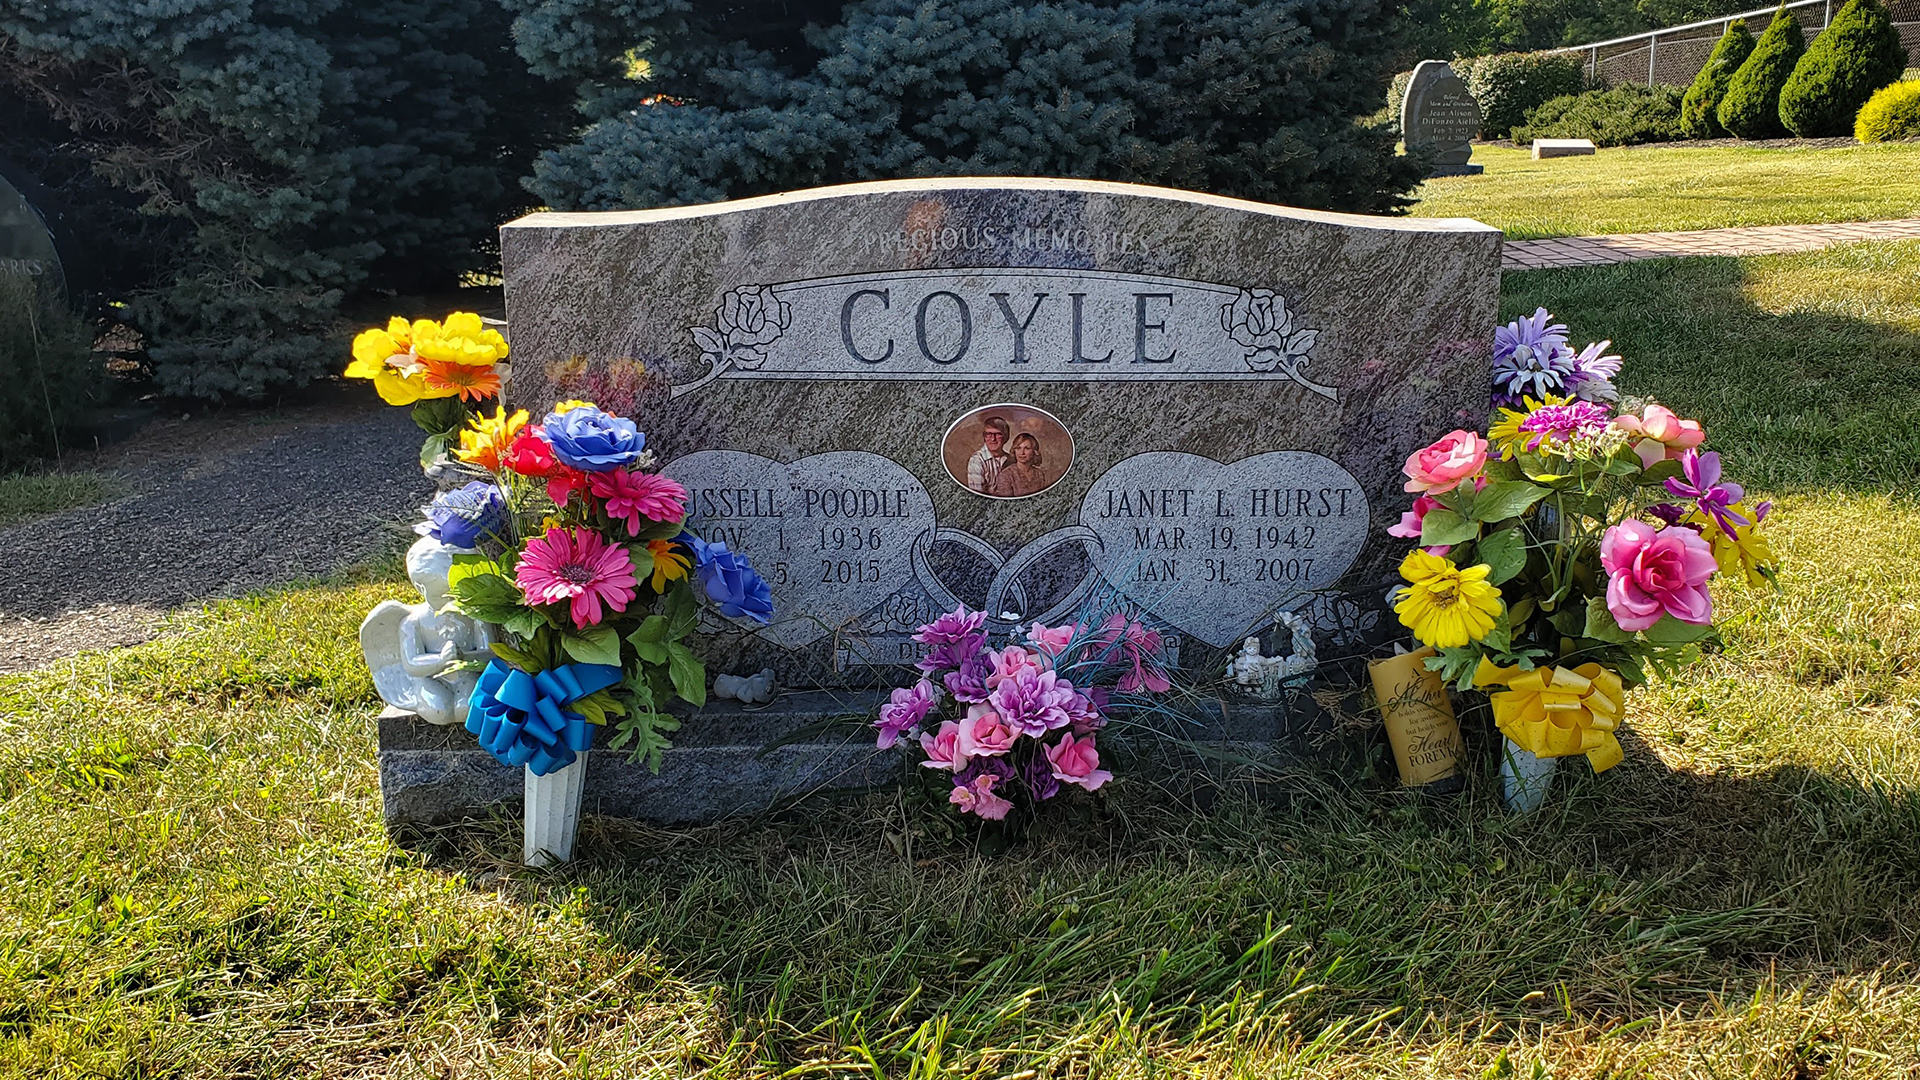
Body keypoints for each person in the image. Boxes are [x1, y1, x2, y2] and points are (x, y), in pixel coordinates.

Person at [989, 432, 1048, 497]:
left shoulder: (1039, 474)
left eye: (1027, 448)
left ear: (1034, 452)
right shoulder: (1006, 475)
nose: (1022, 452)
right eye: (1018, 448)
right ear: (1014, 450)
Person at [964, 416, 1011, 494]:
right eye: (989, 434)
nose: (993, 439)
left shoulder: (1010, 459)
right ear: (984, 437)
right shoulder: (976, 460)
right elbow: (978, 496)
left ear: (1005, 436)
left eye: (997, 434)